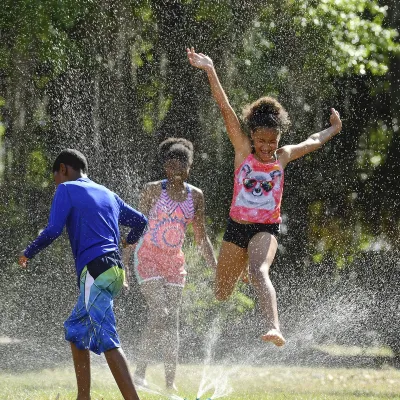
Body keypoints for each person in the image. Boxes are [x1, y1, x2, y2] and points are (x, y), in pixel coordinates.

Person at [187, 47, 342, 347]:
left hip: (265, 229)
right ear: (252, 136)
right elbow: (225, 108)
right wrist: (210, 69)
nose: (267, 147)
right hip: (236, 227)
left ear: (279, 138)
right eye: (261, 140)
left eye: (272, 141)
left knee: (259, 271)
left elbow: (312, 141)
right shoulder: (243, 151)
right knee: (221, 292)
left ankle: (274, 327)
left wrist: (333, 130)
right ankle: (240, 265)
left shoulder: (282, 157)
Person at [18, 149, 147, 400]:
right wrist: (127, 242)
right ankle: (83, 397)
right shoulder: (109, 194)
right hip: (114, 269)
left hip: (95, 270)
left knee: (108, 337)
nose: (56, 184)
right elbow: (141, 221)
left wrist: (28, 252)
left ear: (63, 169)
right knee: (76, 330)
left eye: (56, 177)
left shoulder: (66, 189)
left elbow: (53, 229)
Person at [123, 137, 217, 391]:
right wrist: (123, 263)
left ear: (189, 168)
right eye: (170, 168)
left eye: (181, 169)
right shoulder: (153, 190)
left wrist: (216, 269)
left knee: (171, 320)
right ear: (165, 168)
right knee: (160, 312)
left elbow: (201, 236)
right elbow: (136, 227)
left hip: (174, 262)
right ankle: (139, 374)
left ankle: (169, 383)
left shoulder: (195, 196)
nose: (175, 174)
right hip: (148, 257)